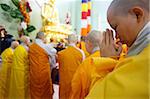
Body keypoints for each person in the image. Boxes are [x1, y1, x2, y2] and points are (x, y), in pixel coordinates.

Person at [86, 0, 150, 99]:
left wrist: (106, 62)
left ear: (137, 14)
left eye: (116, 27)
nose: (116, 37)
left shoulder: (144, 61)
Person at [58, 34, 85, 99]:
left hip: (64, 82)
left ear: (67, 41)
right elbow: (83, 66)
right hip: (75, 81)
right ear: (76, 41)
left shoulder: (61, 53)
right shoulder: (81, 52)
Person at [29, 32, 55, 99]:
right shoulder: (45, 47)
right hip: (43, 71)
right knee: (44, 89)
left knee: (34, 88)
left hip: (33, 71)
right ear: (42, 37)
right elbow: (53, 54)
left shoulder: (31, 47)